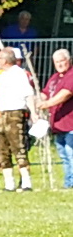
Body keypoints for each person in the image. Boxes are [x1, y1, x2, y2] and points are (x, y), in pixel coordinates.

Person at [0, 48, 37, 191]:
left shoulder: (18, 73)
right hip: (2, 113)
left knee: (18, 147)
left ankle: (26, 182)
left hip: (15, 114)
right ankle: (9, 183)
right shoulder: (4, 74)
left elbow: (28, 93)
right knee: (2, 149)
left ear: (4, 60)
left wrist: (33, 112)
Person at [40, 49, 73, 189]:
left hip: (70, 123)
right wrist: (37, 100)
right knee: (64, 156)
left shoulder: (71, 75)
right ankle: (69, 183)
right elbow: (45, 93)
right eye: (56, 62)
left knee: (71, 154)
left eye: (62, 61)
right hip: (58, 123)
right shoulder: (54, 78)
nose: (59, 64)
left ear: (69, 60)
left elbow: (66, 93)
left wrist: (47, 104)